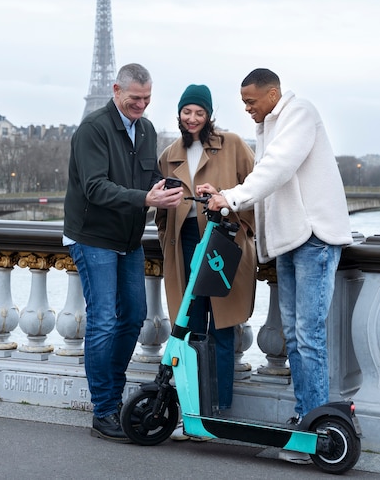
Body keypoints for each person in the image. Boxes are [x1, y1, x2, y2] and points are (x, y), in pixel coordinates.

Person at [201, 68, 352, 464]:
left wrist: (231, 198)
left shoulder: (299, 113)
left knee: (307, 337)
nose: (247, 109)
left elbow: (277, 169)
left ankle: (316, 430)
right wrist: (226, 196)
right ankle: (307, 418)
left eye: (251, 101)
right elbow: (267, 181)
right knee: (297, 339)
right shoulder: (269, 126)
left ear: (272, 94)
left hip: (314, 238)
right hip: (292, 242)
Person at [63, 63, 183, 442]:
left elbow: (144, 178)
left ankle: (112, 398)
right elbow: (96, 188)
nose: (142, 106)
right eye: (135, 99)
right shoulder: (92, 129)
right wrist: (145, 198)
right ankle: (103, 410)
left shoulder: (145, 130)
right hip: (93, 236)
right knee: (103, 320)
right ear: (116, 91)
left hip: (127, 240)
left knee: (132, 317)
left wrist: (172, 188)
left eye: (147, 99)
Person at [156, 84, 256, 439]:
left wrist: (235, 216)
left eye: (199, 112)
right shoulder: (169, 153)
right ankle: (193, 413)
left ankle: (221, 412)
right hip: (185, 249)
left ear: (209, 115)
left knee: (224, 329)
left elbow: (256, 192)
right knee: (191, 331)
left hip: (223, 246)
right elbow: (162, 206)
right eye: (187, 112)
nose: (193, 119)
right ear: (179, 114)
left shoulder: (234, 145)